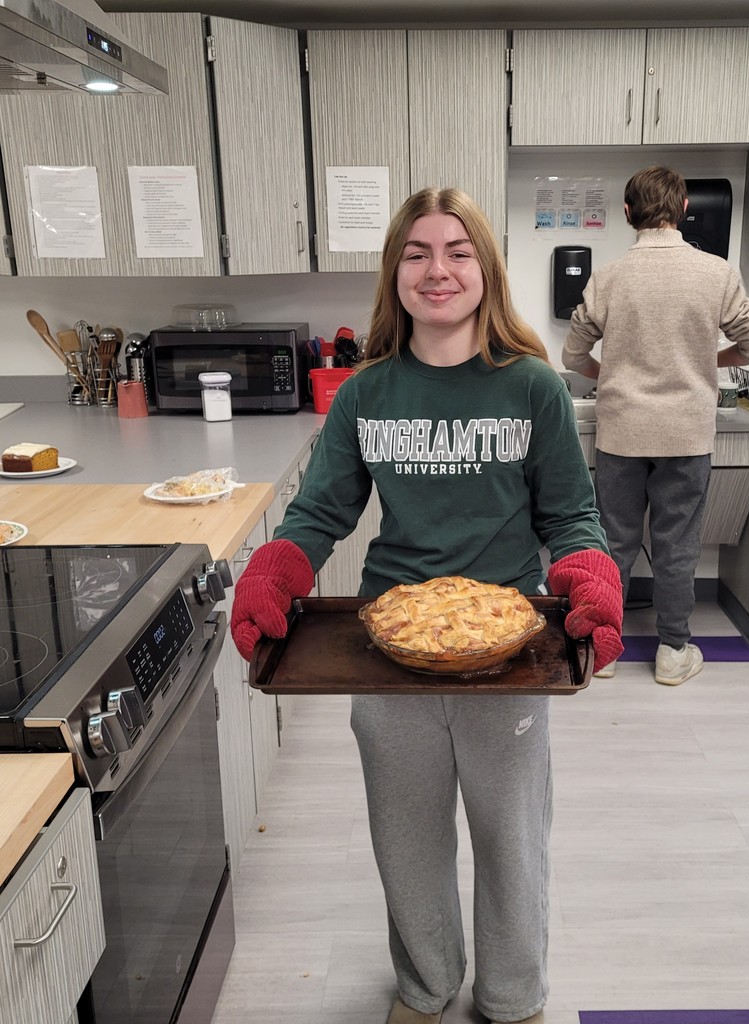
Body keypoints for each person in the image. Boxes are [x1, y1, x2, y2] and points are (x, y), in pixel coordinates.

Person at [231, 187, 623, 1024]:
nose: (437, 270)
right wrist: (276, 570)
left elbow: (570, 515)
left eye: (457, 252)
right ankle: (425, 986)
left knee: (512, 840)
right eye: (416, 254)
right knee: (406, 841)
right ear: (394, 273)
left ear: (485, 270)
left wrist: (590, 574)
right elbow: (320, 511)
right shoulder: (367, 393)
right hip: (389, 650)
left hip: (511, 654)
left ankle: (513, 997)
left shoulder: (533, 388)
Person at [562, 165, 749, 685]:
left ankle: (603, 649)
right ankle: (674, 652)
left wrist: (614, 372)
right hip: (686, 434)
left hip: (621, 433)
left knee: (614, 541)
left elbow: (572, 357)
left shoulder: (608, 277)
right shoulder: (716, 273)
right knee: (677, 545)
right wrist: (705, 363)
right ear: (683, 210)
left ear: (627, 212)